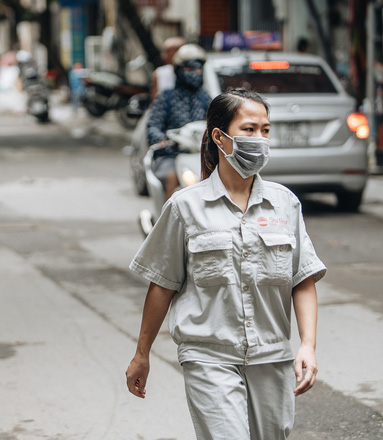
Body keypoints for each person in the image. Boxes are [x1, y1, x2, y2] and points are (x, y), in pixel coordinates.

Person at [126, 89, 326, 440]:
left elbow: (302, 279)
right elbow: (162, 284)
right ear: (220, 137)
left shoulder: (285, 204)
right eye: (249, 130)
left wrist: (307, 344)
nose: (260, 139)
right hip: (208, 356)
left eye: (265, 130)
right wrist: (142, 354)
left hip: (271, 355)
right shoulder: (185, 207)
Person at [147, 43, 211, 201]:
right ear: (178, 71)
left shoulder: (206, 98)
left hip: (200, 155)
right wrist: (160, 138)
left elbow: (217, 124)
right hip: (171, 155)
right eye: (189, 69)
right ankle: (169, 222)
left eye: (198, 69)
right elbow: (153, 125)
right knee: (172, 178)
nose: (194, 73)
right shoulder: (166, 98)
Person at [150, 36, 186, 101]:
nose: (163, 56)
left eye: (168, 52)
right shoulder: (158, 73)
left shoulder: (193, 73)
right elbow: (154, 102)